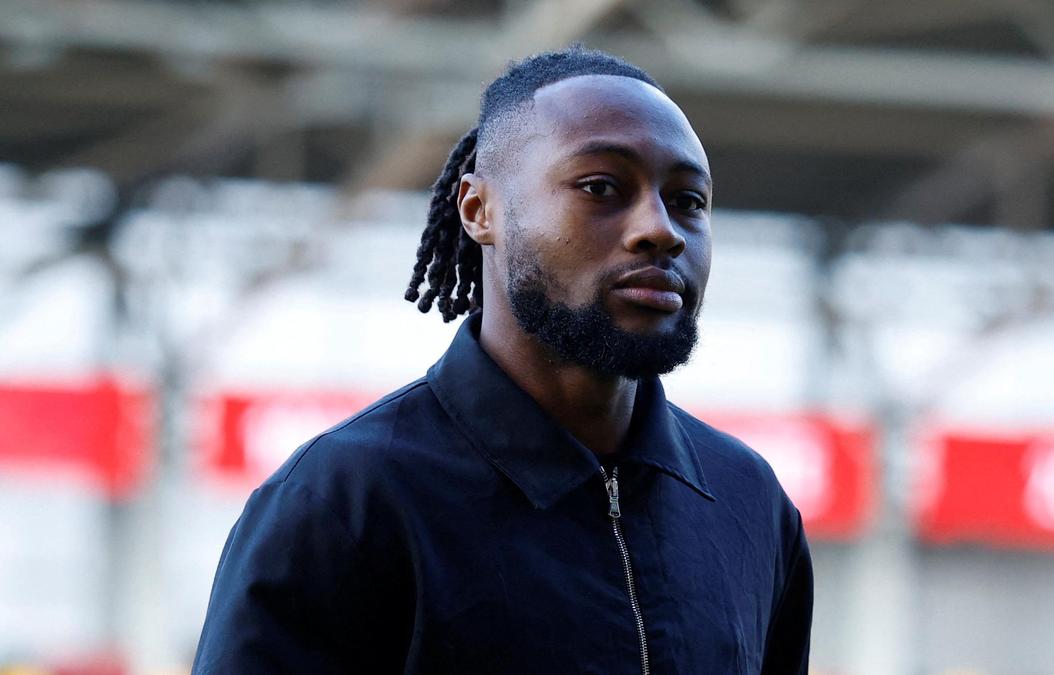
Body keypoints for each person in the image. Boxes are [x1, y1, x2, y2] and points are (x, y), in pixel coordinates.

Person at [193, 46, 813, 674]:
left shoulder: (749, 503)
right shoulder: (343, 502)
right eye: (601, 187)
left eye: (688, 201)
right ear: (478, 210)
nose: (660, 229)